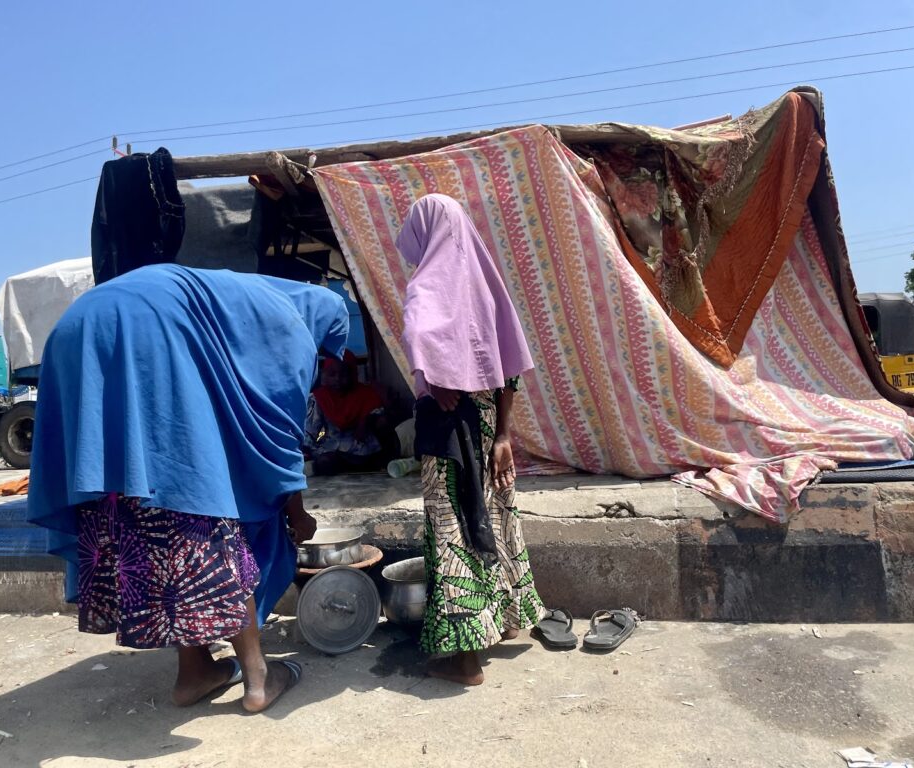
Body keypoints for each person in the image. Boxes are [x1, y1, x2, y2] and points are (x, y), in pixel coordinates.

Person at [27, 264, 348, 713]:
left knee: (140, 510)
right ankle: (259, 678)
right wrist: (295, 511)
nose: (322, 361)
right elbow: (280, 433)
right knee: (201, 513)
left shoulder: (236, 302)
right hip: (142, 331)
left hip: (75, 331)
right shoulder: (289, 323)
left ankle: (195, 672)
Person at [397, 193, 547, 686]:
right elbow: (508, 370)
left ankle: (462, 658)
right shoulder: (487, 289)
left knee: (451, 530)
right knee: (495, 519)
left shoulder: (425, 289)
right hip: (487, 429)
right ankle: (502, 622)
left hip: (447, 433)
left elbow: (419, 337)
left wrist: (433, 375)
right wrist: (503, 435)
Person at [303, 351, 396, 475]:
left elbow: (380, 418)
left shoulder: (367, 394)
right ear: (324, 375)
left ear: (353, 374)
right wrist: (308, 451)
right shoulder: (319, 398)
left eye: (344, 375)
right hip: (332, 449)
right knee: (325, 462)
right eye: (332, 374)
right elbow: (310, 431)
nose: (338, 379)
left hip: (364, 451)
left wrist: (366, 421)